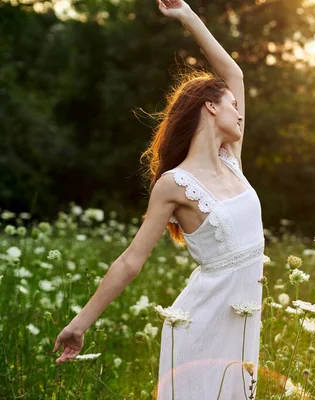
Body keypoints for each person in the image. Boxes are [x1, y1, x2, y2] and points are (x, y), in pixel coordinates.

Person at [53, 0, 265, 398]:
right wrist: (80, 323)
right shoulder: (174, 184)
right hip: (199, 325)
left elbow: (233, 73)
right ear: (209, 106)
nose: (240, 113)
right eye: (232, 105)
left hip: (241, 322)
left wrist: (187, 17)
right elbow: (131, 260)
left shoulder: (231, 161)